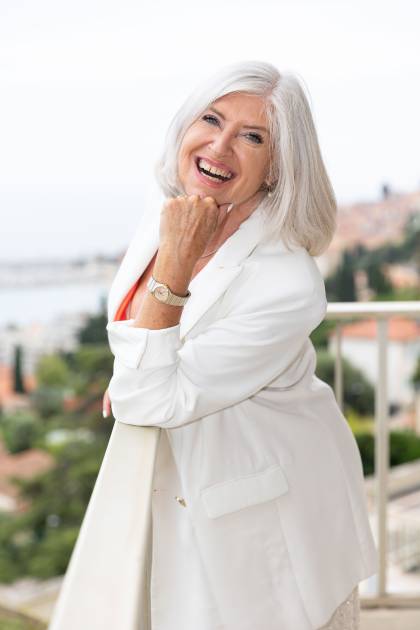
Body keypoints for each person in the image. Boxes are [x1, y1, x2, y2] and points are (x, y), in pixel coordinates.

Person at [49, 60, 378, 630]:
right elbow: (147, 345)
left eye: (253, 137)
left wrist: (174, 270)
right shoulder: (169, 213)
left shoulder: (286, 284)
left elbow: (149, 399)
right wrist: (135, 368)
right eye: (211, 119)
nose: (220, 146)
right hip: (180, 489)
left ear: (277, 168)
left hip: (270, 516)